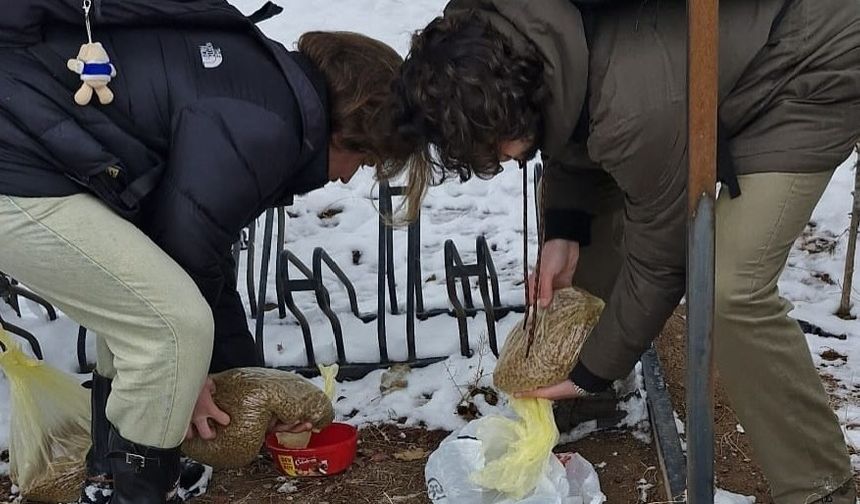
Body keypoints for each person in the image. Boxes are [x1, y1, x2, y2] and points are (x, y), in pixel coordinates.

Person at [392, 0, 860, 502]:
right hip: (717, 65)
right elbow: (573, 118)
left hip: (811, 60)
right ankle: (586, 393)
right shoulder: (532, 43)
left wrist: (593, 370)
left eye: (494, 147)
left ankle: (817, 484)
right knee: (606, 204)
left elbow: (663, 259)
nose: (501, 162)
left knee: (729, 286)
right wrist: (564, 230)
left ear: (510, 111)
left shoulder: (634, 107)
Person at [0, 2, 411, 503]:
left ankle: (110, 481)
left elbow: (200, 258)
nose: (347, 176)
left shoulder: (265, 91)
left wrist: (247, 384)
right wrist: (189, 373)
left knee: (148, 313)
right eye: (362, 159)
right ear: (346, 129)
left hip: (29, 150)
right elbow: (184, 272)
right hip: (16, 164)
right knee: (170, 330)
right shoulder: (266, 124)